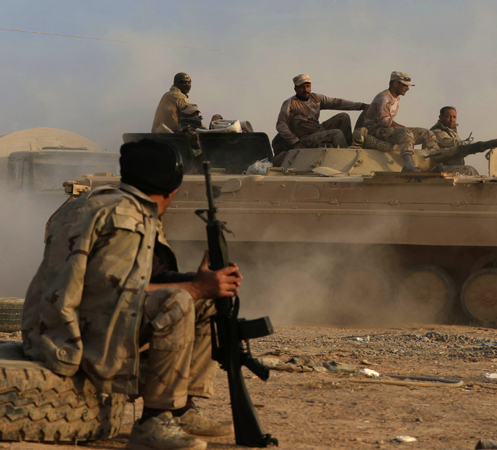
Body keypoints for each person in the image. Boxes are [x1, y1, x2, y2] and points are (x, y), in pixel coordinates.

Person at [22, 139, 240, 450]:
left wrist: (199, 283)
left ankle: (180, 408)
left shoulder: (107, 203)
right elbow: (119, 293)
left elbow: (144, 277)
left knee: (204, 299)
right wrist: (194, 288)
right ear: (171, 189)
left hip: (59, 325)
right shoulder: (126, 217)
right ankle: (154, 421)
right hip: (68, 338)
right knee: (179, 301)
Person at [360, 71, 439, 172]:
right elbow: (385, 122)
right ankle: (408, 165)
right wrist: (403, 128)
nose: (408, 88)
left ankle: (433, 163)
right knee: (405, 133)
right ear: (395, 84)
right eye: (405, 85)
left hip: (385, 129)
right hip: (374, 130)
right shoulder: (384, 97)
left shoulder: (396, 98)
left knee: (427, 133)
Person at [272, 74, 368, 154]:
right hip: (305, 138)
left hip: (318, 130)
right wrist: (295, 142)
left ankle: (349, 147)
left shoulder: (316, 98)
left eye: (308, 86)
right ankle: (346, 156)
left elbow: (337, 103)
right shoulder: (290, 103)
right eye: (302, 87)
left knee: (343, 117)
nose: (306, 89)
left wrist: (362, 106)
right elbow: (281, 125)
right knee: (336, 133)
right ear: (295, 89)